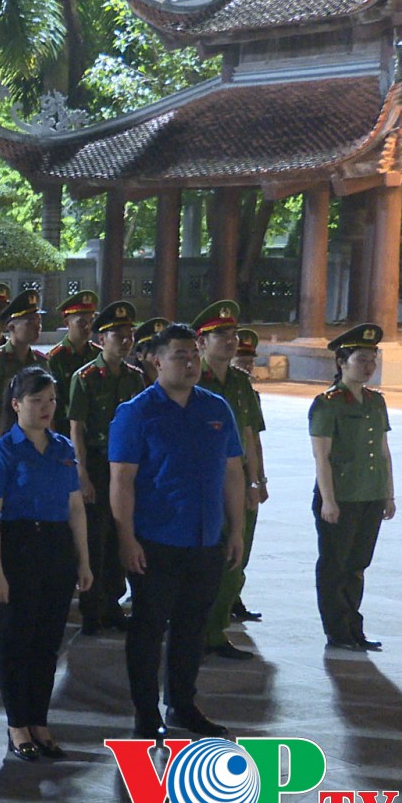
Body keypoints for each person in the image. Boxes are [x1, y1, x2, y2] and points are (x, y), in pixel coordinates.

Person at [109, 323, 245, 741]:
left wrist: (236, 529)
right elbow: (122, 481)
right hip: (156, 540)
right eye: (180, 355)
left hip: (206, 539)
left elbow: (233, 474)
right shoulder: (136, 412)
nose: (190, 363)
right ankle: (146, 712)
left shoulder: (216, 409)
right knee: (149, 628)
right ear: (156, 360)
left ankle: (183, 703)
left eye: (193, 355)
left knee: (192, 628)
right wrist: (127, 538)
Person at [0, 367, 92, 761]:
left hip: (57, 548)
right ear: (15, 405)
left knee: (47, 642)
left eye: (51, 401)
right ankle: (17, 724)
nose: (46, 408)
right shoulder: (2, 451)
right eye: (36, 401)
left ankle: (39, 720)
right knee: (15, 641)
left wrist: (84, 561)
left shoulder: (63, 448)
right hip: (18, 546)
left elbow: (75, 508)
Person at [309, 324, 394, 652]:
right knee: (335, 565)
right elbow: (322, 457)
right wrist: (328, 501)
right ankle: (337, 630)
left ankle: (353, 627)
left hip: (369, 495)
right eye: (361, 359)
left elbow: (384, 452)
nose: (369, 366)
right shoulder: (328, 404)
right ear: (341, 362)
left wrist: (388, 493)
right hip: (341, 497)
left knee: (358, 564)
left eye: (373, 359)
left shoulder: (375, 402)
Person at [192, 301, 268, 660]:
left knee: (236, 559)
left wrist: (258, 480)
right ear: (201, 342)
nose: (229, 340)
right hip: (202, 485)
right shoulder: (191, 381)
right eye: (220, 335)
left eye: (232, 334)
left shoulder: (240, 384)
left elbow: (251, 435)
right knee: (202, 560)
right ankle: (193, 629)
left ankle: (216, 630)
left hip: (239, 484)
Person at [68, 301, 144, 636]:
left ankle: (113, 603)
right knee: (94, 537)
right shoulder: (84, 377)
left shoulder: (135, 378)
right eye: (117, 334)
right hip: (98, 464)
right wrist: (82, 474)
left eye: (129, 334)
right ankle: (91, 608)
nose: (125, 340)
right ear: (102, 337)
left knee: (119, 534)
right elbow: (76, 429)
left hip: (126, 467)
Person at [0, 289, 48, 439]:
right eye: (30, 321)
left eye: (38, 320)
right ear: (11, 327)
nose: (37, 326)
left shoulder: (42, 362)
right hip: (5, 440)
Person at [46, 291, 100, 435]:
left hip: (96, 430)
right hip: (65, 429)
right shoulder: (54, 359)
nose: (88, 327)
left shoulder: (99, 355)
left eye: (91, 322)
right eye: (81, 322)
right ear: (66, 323)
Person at [132, 318, 168, 385]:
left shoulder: (176, 381)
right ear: (139, 356)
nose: (161, 356)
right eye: (154, 351)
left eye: (165, 351)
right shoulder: (133, 382)